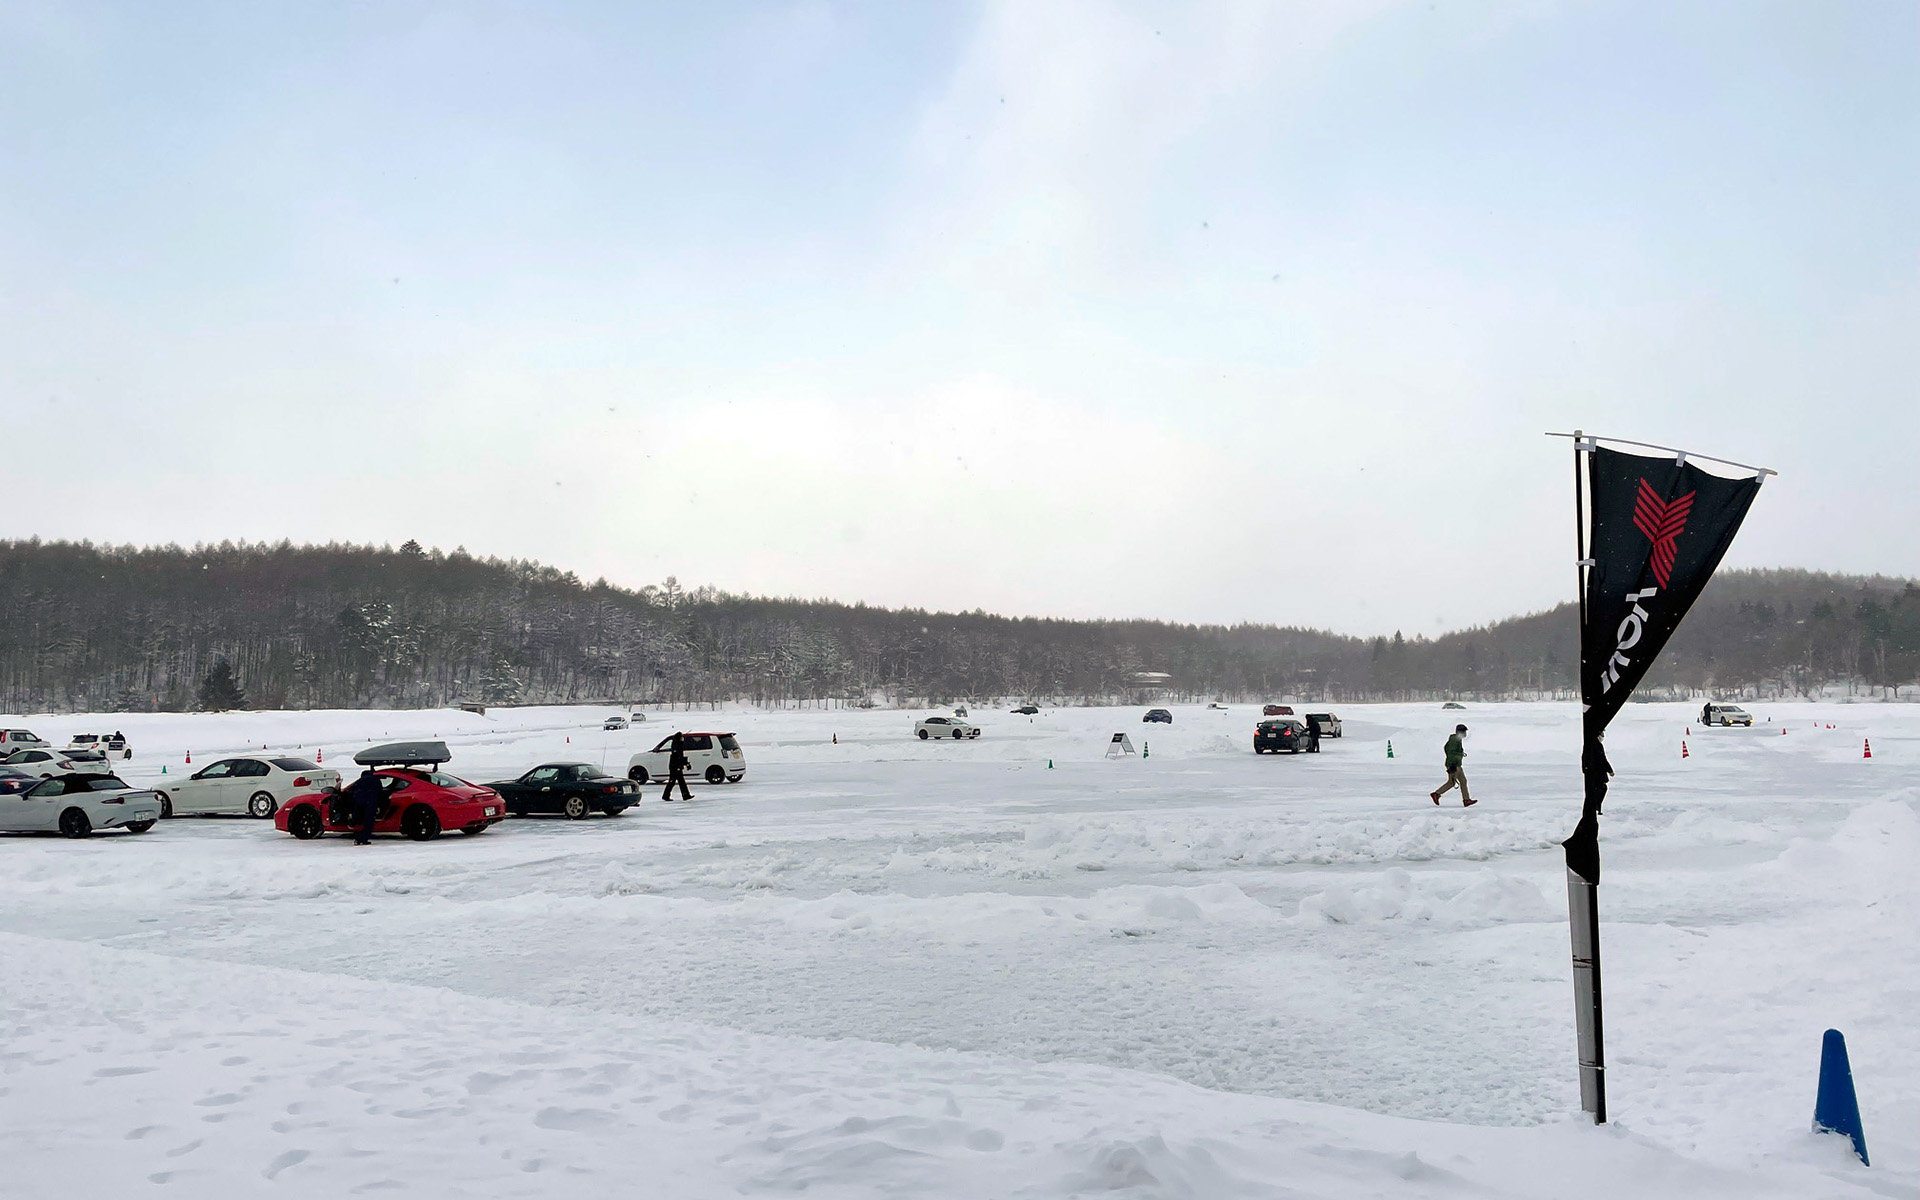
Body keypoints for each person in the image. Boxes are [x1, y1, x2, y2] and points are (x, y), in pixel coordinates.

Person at [1430, 724, 1476, 807]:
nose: (1465, 733)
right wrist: (1452, 765)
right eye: (1464, 731)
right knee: (1453, 782)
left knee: (1460, 781)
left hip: (1455, 764)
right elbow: (1451, 752)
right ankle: (1436, 794)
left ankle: (1466, 800)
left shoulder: (1456, 739)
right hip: (1454, 765)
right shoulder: (1455, 740)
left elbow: (1447, 749)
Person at [344, 766, 383, 844]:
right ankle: (363, 839)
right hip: (371, 801)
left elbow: (353, 791)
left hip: (360, 801)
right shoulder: (376, 780)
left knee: (358, 816)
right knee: (368, 821)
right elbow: (380, 791)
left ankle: (353, 825)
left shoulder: (360, 780)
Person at [661, 731, 693, 803]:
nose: (682, 738)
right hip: (675, 767)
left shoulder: (678, 744)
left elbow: (680, 756)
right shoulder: (677, 745)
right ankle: (666, 795)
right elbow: (678, 757)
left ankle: (685, 795)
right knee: (673, 781)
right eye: (681, 737)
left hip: (677, 766)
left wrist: (685, 763)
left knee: (680, 781)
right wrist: (684, 763)